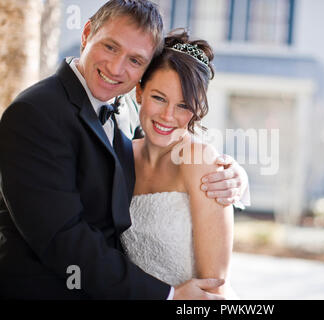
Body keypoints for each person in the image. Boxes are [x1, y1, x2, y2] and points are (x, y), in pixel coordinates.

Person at [0, 0, 248, 300]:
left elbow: (160, 144)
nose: (116, 68)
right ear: (87, 33)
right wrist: (168, 295)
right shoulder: (35, 113)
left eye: (135, 60)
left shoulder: (123, 109)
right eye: (110, 47)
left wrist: (234, 175)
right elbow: (63, 239)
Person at [120, 29, 238, 298]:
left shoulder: (200, 162)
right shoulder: (121, 155)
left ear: (197, 109)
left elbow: (214, 287)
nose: (167, 116)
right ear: (140, 91)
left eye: (183, 105)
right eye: (159, 98)